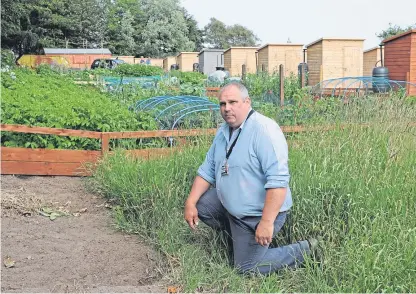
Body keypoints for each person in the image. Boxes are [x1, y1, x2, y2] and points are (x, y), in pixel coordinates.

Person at [184, 82, 317, 275]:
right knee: (202, 205)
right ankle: (239, 239)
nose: (227, 108)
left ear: (247, 102)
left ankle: (307, 250)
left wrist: (266, 222)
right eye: (222, 104)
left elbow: (278, 182)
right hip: (233, 210)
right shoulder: (223, 132)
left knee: (246, 268)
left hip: (257, 214)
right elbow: (207, 170)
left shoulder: (264, 130)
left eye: (232, 102)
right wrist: (190, 202)